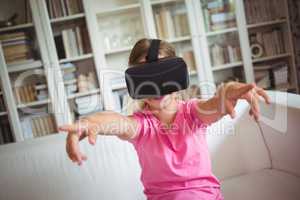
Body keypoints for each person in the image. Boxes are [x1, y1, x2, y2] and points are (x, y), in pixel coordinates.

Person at [59, 38, 270, 200]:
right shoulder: (141, 126)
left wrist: (229, 91)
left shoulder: (193, 113)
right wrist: (90, 123)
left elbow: (215, 103)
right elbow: (114, 121)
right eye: (147, 76)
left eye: (162, 72)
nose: (156, 86)